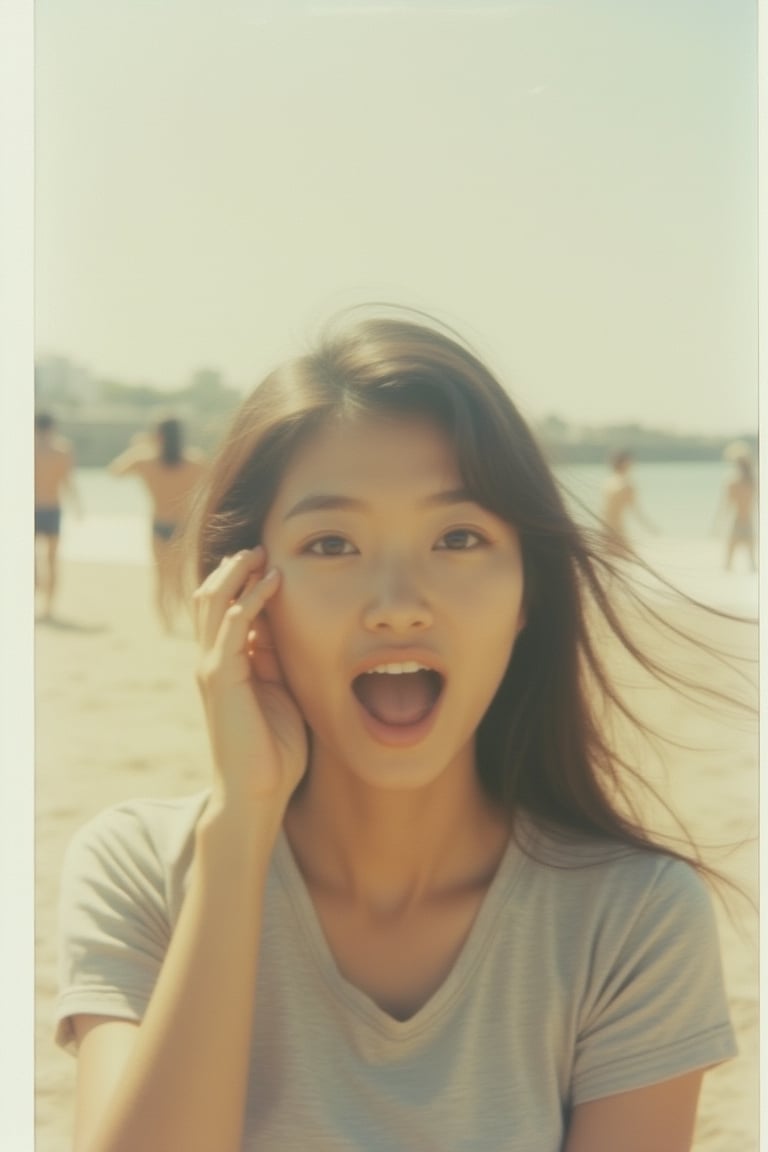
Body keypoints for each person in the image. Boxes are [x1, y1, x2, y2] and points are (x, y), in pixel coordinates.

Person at [57, 312, 738, 1152]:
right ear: (243, 597)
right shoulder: (140, 874)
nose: (398, 603)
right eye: (332, 543)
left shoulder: (630, 920)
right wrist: (239, 830)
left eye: (459, 537)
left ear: (527, 594)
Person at [108, 417, 207, 631]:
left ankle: (167, 625)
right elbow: (216, 484)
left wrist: (140, 447)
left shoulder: (145, 462)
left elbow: (115, 472)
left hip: (159, 526)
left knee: (161, 579)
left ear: (157, 436)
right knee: (181, 578)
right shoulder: (194, 461)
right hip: (183, 527)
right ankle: (188, 622)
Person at [34, 410, 80, 619]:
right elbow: (68, 481)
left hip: (31, 508)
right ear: (52, 427)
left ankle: (36, 590)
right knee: (52, 560)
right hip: (52, 509)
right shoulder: (62, 450)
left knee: (30, 559)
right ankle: (49, 607)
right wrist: (78, 506)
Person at [600, 449, 657, 551]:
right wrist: (651, 528)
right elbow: (637, 513)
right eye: (630, 461)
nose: (632, 464)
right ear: (625, 463)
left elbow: (604, 510)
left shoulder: (608, 482)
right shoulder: (627, 486)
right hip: (617, 530)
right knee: (624, 561)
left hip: (604, 528)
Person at [716, 442, 757, 573]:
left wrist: (716, 524)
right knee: (751, 562)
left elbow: (726, 506)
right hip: (748, 521)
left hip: (738, 522)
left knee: (729, 562)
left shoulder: (733, 482)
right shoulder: (753, 481)